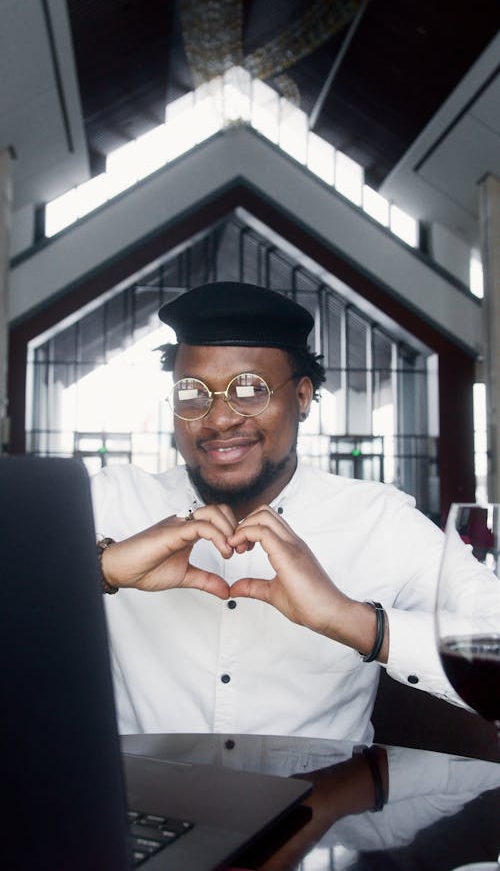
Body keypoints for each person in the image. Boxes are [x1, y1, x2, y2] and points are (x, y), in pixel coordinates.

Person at [92, 281, 498, 742]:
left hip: (322, 808)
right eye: (192, 392)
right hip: (142, 807)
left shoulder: (379, 520)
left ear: (302, 397)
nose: (219, 419)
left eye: (250, 389)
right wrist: (101, 567)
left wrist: (349, 619)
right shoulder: (111, 500)